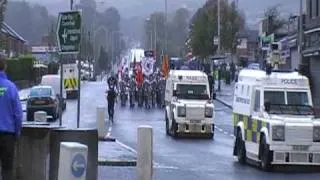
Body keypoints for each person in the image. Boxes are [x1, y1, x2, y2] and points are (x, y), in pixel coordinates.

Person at [0, 57, 23, 180]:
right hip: (7, 136)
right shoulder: (11, 87)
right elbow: (18, 114)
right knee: (7, 169)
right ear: (5, 67)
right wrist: (17, 132)